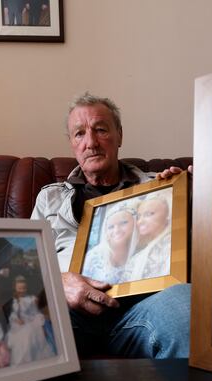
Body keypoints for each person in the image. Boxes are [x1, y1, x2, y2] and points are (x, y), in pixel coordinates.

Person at [31, 92, 190, 358]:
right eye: (79, 134)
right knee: (31, 325)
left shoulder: (160, 187)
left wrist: (194, 197)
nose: (90, 142)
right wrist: (58, 283)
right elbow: (27, 268)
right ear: (72, 143)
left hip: (141, 310)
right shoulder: (50, 198)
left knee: (183, 304)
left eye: (101, 130)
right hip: (71, 314)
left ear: (119, 136)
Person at [82, 202, 138, 284]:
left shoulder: (141, 251)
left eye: (123, 223)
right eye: (111, 227)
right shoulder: (94, 257)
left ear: (135, 223)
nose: (117, 230)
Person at [6, 276, 54, 366]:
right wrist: (17, 319)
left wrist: (39, 322)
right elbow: (13, 314)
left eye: (24, 288)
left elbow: (36, 312)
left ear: (26, 288)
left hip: (32, 321)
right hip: (20, 323)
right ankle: (23, 360)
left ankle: (33, 357)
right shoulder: (15, 301)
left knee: (29, 334)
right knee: (18, 338)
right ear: (15, 288)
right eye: (19, 288)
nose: (22, 290)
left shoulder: (31, 299)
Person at [126, 193, 172, 281]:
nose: (140, 222)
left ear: (167, 215)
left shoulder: (173, 247)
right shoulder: (137, 258)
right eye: (139, 217)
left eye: (149, 214)